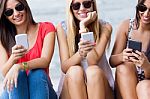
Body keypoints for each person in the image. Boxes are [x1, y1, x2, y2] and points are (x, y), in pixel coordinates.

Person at [56, 0, 114, 99]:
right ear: (71, 8)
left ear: (93, 5)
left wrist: (83, 27)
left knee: (93, 71)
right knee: (74, 71)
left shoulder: (105, 27)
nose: (82, 8)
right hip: (71, 87)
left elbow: (92, 61)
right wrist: (80, 54)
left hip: (100, 86)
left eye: (86, 4)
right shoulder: (62, 28)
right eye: (76, 6)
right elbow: (65, 66)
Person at [0, 0, 57, 99]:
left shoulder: (46, 28)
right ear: (5, 16)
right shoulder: (3, 38)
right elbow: (5, 73)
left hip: (42, 88)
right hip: (16, 90)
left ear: (25, 6)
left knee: (37, 73)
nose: (16, 13)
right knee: (18, 76)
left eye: (19, 7)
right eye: (9, 12)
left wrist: (20, 66)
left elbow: (45, 61)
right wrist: (13, 58)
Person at [109, 0, 150, 99]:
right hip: (125, 84)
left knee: (144, 86)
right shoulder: (127, 26)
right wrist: (122, 56)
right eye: (142, 8)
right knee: (123, 67)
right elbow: (112, 61)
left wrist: (146, 66)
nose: (146, 14)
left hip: (146, 85)